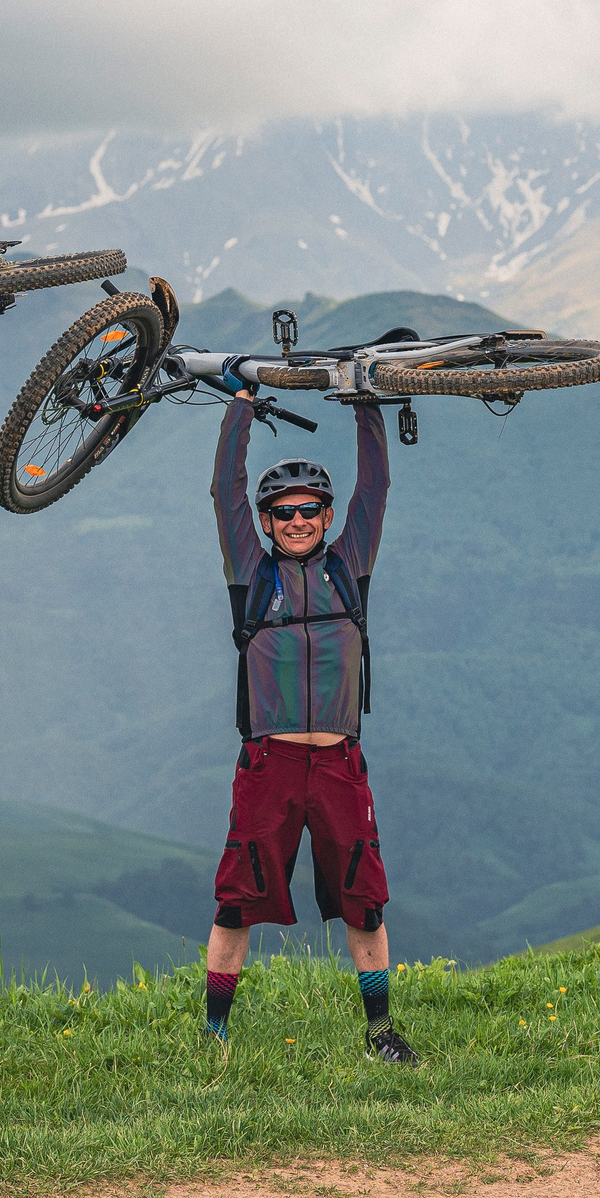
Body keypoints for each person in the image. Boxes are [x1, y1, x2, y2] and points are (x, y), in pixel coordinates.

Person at [203, 382, 419, 1066]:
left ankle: (380, 1030)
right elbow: (223, 488)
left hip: (337, 762)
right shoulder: (251, 571)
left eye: (310, 510)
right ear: (266, 522)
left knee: (366, 899)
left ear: (326, 515)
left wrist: (365, 401)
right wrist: (240, 401)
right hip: (268, 762)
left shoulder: (351, 564)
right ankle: (214, 1037)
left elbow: (376, 487)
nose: (297, 520)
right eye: (283, 512)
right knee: (237, 898)